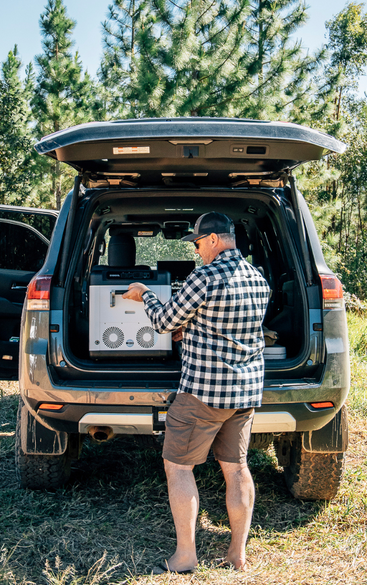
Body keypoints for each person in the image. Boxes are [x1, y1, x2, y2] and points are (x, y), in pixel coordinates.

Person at [122, 212, 270, 574]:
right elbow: (228, 326)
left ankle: (186, 556)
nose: (198, 251)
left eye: (200, 244)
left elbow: (164, 322)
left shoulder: (203, 276)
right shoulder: (257, 278)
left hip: (203, 393)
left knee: (178, 466)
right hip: (245, 392)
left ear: (215, 240)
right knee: (236, 469)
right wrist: (191, 330)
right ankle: (237, 554)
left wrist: (145, 295)